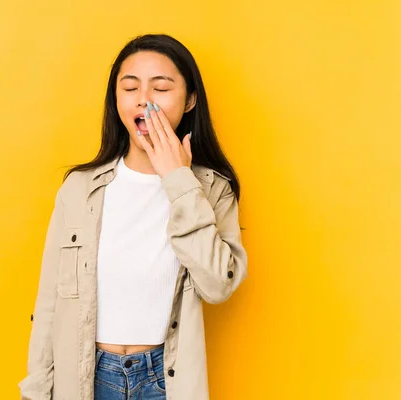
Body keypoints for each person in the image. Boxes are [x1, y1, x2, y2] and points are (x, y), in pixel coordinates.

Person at [19, 33, 248, 400]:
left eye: (160, 87)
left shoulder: (211, 189)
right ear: (117, 99)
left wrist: (178, 181)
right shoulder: (79, 189)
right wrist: (35, 391)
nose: (144, 99)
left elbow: (218, 285)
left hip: (165, 379)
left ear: (189, 100)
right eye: (130, 87)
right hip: (86, 378)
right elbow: (50, 304)